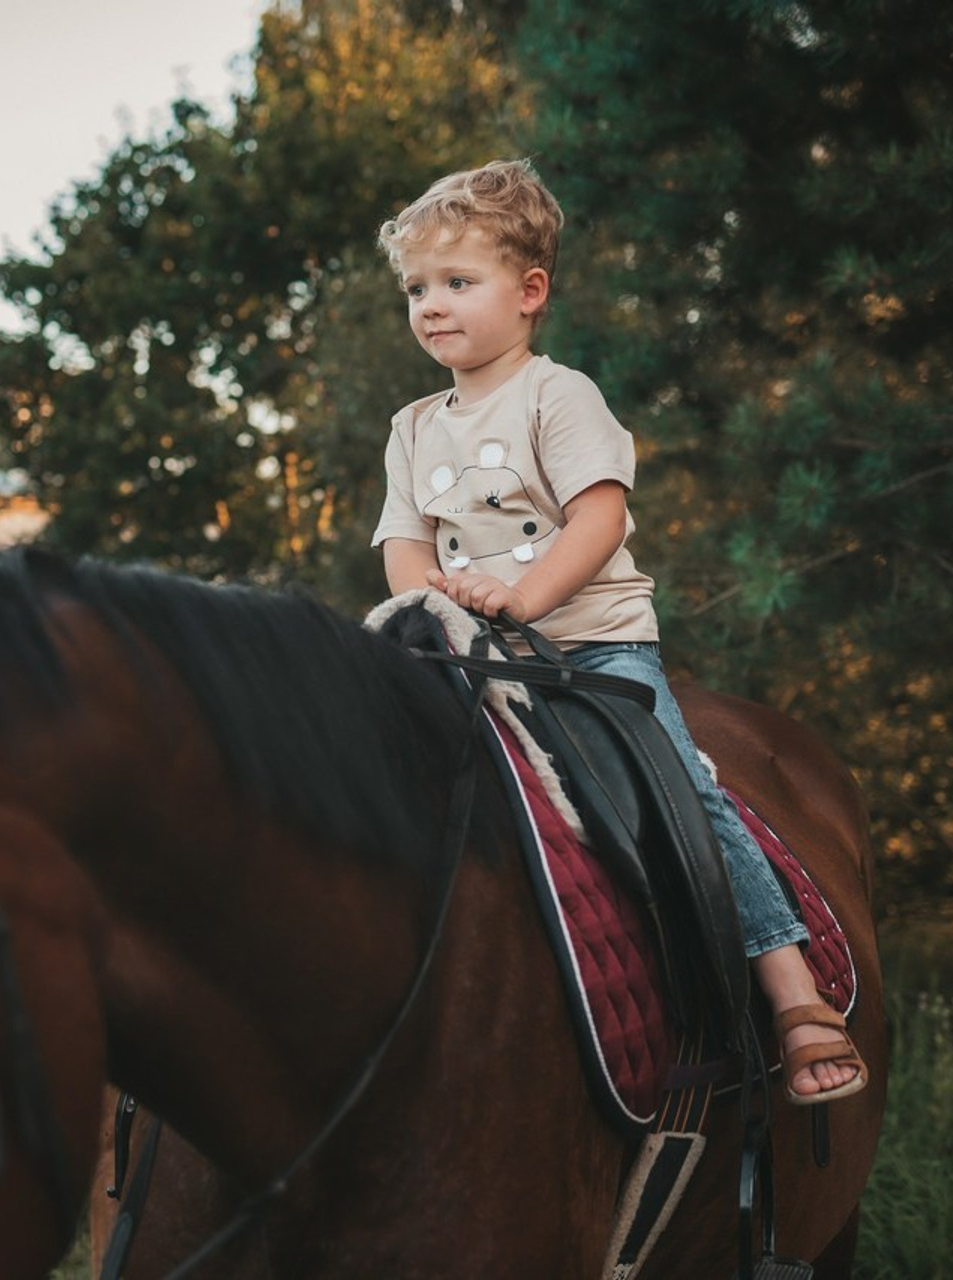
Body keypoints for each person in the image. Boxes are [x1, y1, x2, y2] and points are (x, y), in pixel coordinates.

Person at [370, 159, 867, 1104]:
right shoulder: (412, 427)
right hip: (478, 659)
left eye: (457, 282)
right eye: (417, 289)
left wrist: (521, 599)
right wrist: (434, 612)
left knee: (683, 789)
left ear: (529, 292)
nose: (431, 306)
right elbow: (405, 543)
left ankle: (793, 989)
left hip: (595, 649)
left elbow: (598, 521)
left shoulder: (558, 396)